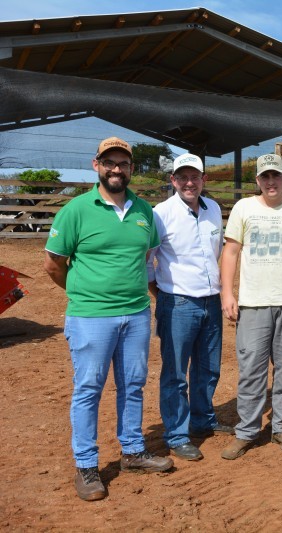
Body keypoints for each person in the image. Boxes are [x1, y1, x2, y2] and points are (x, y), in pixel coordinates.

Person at [43, 137, 173, 502]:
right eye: (109, 162)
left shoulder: (144, 212)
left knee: (133, 385)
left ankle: (132, 451)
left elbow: (147, 258)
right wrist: (84, 293)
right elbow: (53, 264)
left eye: (124, 163)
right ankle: (86, 465)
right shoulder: (76, 210)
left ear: (132, 169)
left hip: (135, 314)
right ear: (96, 165)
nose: (117, 169)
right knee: (89, 389)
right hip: (90, 316)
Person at [220, 153, 282, 459]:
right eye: (264, 177)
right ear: (257, 181)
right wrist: (227, 295)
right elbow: (231, 251)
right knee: (251, 369)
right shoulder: (244, 208)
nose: (270, 182)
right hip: (254, 301)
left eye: (276, 176)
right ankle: (246, 430)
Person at [148, 153, 232, 463]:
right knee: (175, 373)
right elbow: (148, 260)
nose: (189, 182)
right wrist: (163, 295)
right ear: (172, 180)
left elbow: (218, 253)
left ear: (203, 179)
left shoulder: (213, 209)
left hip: (210, 300)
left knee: (208, 367)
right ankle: (177, 434)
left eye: (194, 176)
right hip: (178, 302)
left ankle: (202, 418)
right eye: (182, 176)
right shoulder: (161, 214)